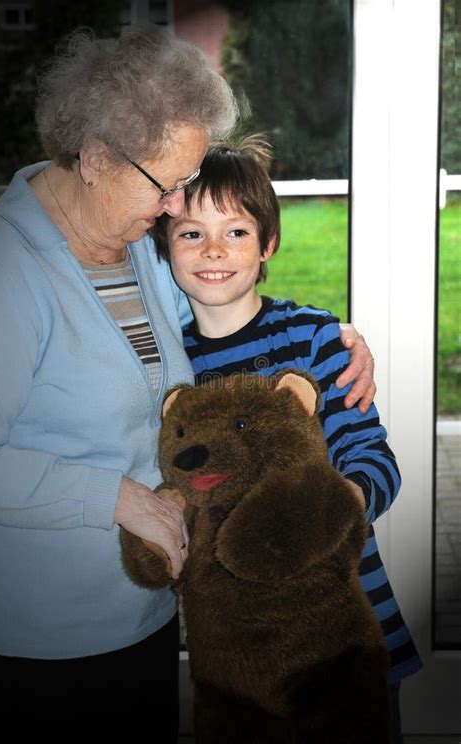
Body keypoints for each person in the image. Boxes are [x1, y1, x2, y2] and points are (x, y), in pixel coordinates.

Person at [0, 27, 375, 742]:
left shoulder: (131, 246)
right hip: (48, 644)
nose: (174, 211)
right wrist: (115, 498)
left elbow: (223, 322)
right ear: (98, 159)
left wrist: (339, 340)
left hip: (154, 615)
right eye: (166, 185)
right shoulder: (5, 272)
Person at [152, 134, 423, 743]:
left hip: (346, 628)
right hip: (239, 659)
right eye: (191, 233)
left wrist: (329, 510)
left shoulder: (315, 339)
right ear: (166, 248)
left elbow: (375, 462)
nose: (213, 250)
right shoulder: (170, 366)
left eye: (237, 231)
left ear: (268, 242)